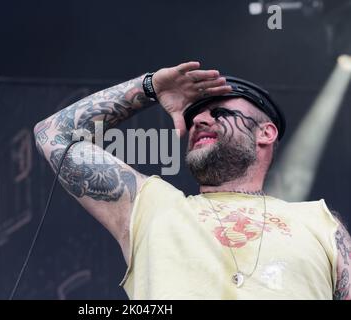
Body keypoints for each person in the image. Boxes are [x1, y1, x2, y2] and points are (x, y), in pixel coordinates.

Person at [33, 61, 351, 299]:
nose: (198, 120)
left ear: (265, 133)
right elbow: (52, 134)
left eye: (220, 113)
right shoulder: (151, 205)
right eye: (194, 116)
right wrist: (149, 89)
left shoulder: (319, 222)